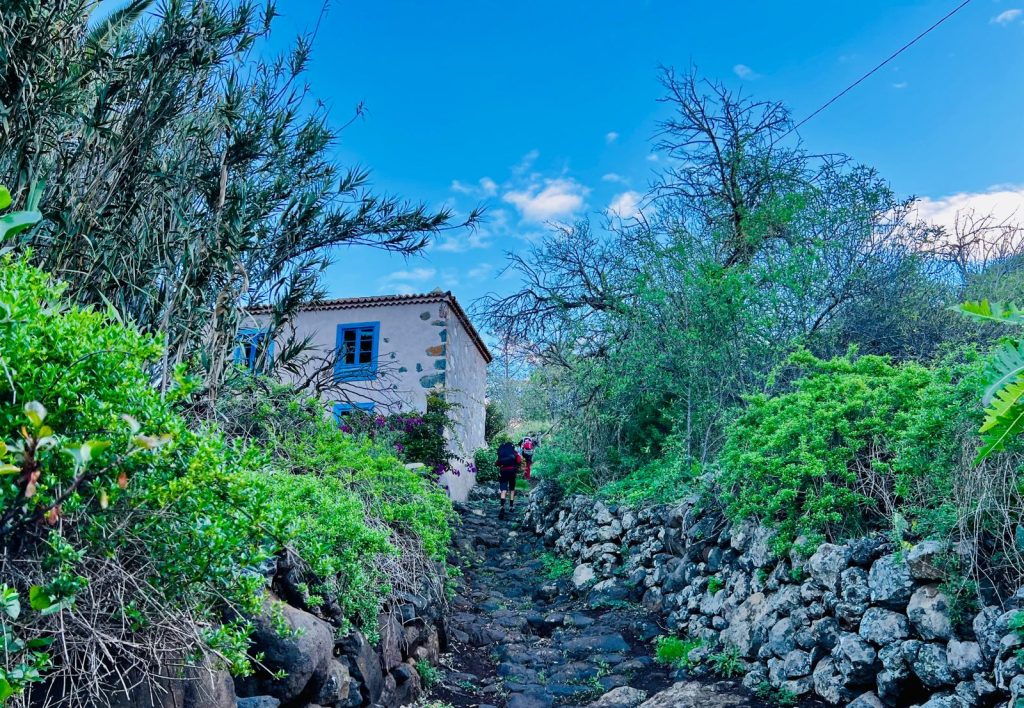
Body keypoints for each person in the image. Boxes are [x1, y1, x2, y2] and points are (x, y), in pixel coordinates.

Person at [495, 440, 522, 519]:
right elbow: (519, 460)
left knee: (503, 489)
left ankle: (502, 507)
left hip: (503, 472)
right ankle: (511, 506)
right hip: (512, 472)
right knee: (512, 489)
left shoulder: (502, 454)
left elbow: (496, 463)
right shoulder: (514, 453)